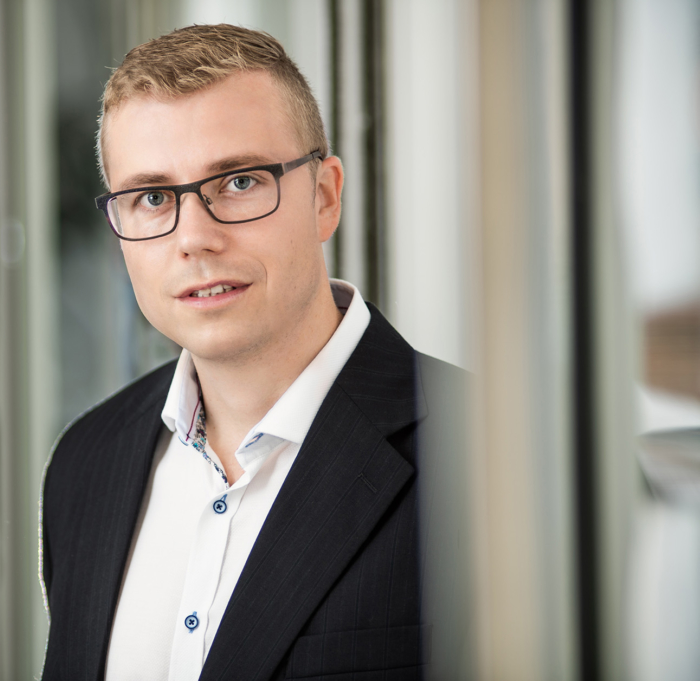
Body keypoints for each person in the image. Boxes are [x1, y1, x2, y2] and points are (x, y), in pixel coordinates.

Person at [39, 23, 468, 681]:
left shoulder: (489, 451)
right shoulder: (84, 463)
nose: (194, 238)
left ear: (324, 197)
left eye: (238, 182)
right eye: (152, 197)